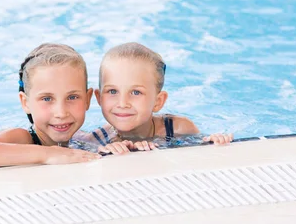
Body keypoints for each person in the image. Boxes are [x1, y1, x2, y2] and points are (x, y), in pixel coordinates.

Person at [0, 43, 101, 168]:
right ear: (25, 103)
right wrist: (48, 154)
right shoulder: (23, 138)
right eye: (47, 99)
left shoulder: (83, 139)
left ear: (87, 99)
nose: (61, 113)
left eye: (72, 97)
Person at [92, 42, 233, 154]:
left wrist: (214, 141)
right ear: (99, 98)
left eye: (135, 92)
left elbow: (200, 151)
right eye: (112, 91)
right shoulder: (97, 139)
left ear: (158, 102)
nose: (122, 103)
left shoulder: (178, 128)